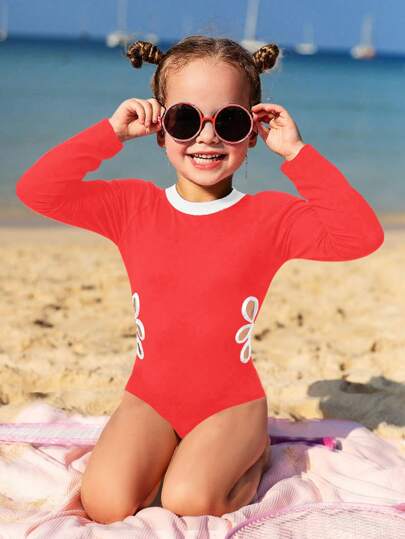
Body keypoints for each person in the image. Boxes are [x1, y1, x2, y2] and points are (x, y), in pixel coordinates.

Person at [15, 35, 384, 524]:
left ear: (252, 133)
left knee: (188, 499)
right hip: (148, 397)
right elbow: (38, 191)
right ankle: (180, 451)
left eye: (228, 122)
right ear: (160, 129)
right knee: (105, 503)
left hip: (230, 403)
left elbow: (360, 236)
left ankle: (252, 455)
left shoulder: (270, 218)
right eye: (185, 120)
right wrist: (110, 133)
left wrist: (296, 153)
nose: (206, 137)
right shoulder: (132, 207)